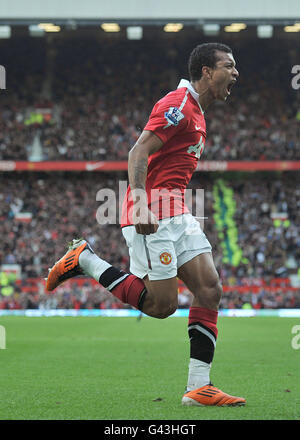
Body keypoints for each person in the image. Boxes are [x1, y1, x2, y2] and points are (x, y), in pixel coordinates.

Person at [46, 42, 245, 407]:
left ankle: (198, 387)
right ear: (205, 71)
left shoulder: (197, 111)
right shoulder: (178, 105)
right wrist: (138, 202)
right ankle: (85, 260)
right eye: (228, 66)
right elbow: (137, 152)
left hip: (178, 211)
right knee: (162, 305)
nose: (235, 73)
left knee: (210, 289)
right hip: (153, 213)